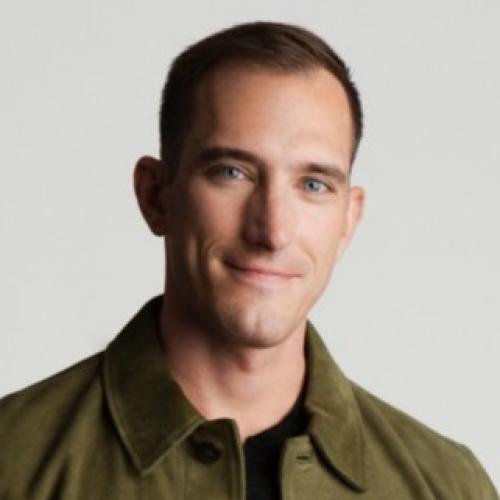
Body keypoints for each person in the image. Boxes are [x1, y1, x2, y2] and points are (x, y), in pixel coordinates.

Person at [0, 21, 497, 500]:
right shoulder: (14, 463)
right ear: (155, 196)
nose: (271, 231)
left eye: (313, 184)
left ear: (348, 219)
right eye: (232, 172)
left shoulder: (448, 487)